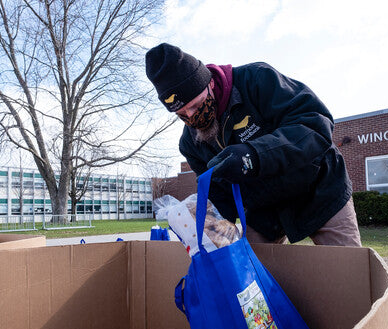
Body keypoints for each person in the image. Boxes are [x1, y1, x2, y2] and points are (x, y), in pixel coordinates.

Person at [145, 43, 361, 246]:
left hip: (319, 190)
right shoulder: (190, 143)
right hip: (264, 212)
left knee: (351, 274)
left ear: (209, 82)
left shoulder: (257, 80)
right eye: (182, 114)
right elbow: (219, 195)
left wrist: (253, 156)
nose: (192, 116)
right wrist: (208, 227)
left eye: (196, 105)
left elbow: (315, 125)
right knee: (247, 275)